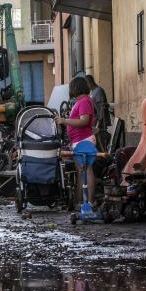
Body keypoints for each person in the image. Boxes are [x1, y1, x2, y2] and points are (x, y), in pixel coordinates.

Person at [56, 76, 100, 220]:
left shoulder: (85, 101)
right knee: (82, 171)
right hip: (80, 141)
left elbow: (84, 121)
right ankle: (81, 201)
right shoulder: (82, 101)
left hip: (83, 141)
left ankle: (89, 202)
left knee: (86, 171)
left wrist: (64, 121)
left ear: (75, 88)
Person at [85, 75, 111, 151]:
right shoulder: (92, 92)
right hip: (95, 122)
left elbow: (102, 109)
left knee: (101, 145)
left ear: (89, 82)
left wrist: (99, 125)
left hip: (100, 124)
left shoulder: (99, 91)